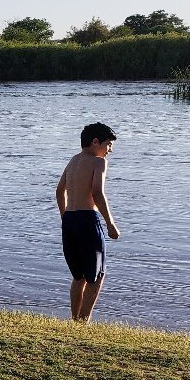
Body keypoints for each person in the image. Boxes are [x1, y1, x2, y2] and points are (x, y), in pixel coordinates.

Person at [55, 122, 120, 323]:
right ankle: (83, 323)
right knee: (96, 276)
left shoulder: (73, 161)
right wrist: (110, 223)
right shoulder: (98, 162)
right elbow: (97, 193)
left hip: (70, 220)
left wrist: (65, 217)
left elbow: (59, 191)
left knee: (79, 275)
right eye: (108, 145)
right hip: (87, 220)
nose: (110, 150)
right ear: (95, 142)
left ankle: (75, 320)